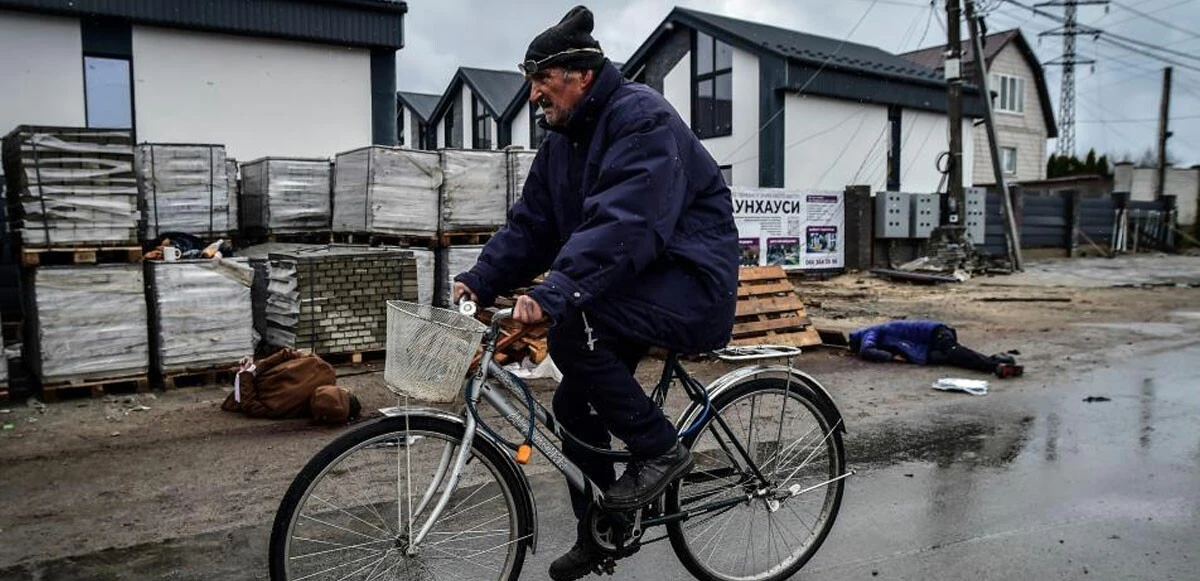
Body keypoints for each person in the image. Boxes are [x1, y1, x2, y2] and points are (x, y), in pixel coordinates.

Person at [451, 5, 739, 579]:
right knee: (569, 402)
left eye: (542, 80)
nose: (533, 95)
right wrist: (478, 279)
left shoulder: (641, 119)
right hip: (633, 280)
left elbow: (627, 223)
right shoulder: (562, 139)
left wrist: (554, 291)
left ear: (581, 75)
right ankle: (605, 528)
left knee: (570, 330)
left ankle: (660, 450)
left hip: (687, 281)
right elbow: (532, 224)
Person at [848, 320, 1024, 378]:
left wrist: (890, 357)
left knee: (956, 353)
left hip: (935, 334)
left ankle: (996, 364)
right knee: (956, 358)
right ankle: (996, 362)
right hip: (926, 348)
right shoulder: (880, 330)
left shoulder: (871, 332)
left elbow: (867, 350)